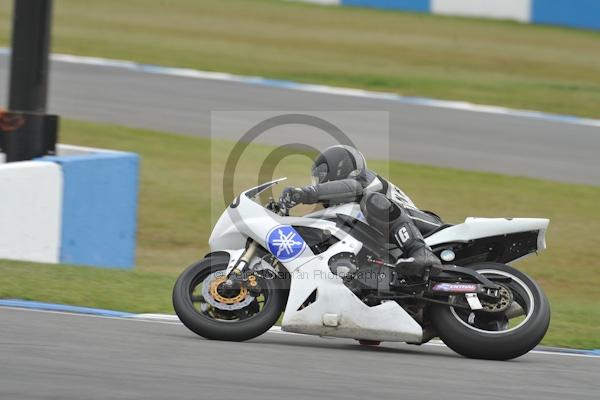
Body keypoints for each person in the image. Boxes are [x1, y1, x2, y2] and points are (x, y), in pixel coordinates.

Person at [281, 145, 442, 277]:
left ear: (338, 166)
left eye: (321, 176)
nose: (320, 182)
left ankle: (421, 252)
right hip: (397, 242)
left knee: (373, 201)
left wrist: (304, 193)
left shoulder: (364, 178)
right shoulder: (349, 208)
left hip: (427, 225)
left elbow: (353, 188)